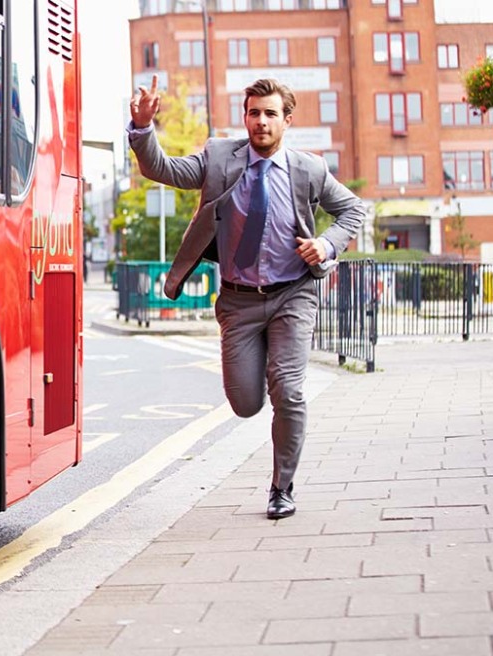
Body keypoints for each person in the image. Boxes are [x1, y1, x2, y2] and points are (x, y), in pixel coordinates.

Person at [127, 77, 366, 519]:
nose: (261, 121)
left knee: (289, 390)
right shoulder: (220, 157)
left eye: (271, 113)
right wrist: (143, 130)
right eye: (254, 112)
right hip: (238, 301)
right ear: (245, 117)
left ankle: (282, 487)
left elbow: (352, 209)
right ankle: (260, 404)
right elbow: (165, 170)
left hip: (294, 293)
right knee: (245, 402)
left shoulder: (308, 170)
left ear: (287, 120)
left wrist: (328, 244)